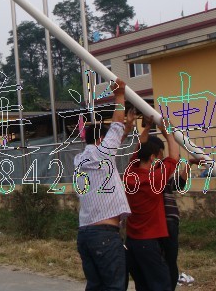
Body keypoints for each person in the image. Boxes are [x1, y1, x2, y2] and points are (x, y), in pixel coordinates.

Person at [75, 78, 132, 291]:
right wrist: (120, 95)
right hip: (104, 236)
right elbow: (116, 126)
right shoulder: (102, 153)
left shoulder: (79, 159)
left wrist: (126, 130)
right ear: (101, 139)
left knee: (96, 286)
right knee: (114, 287)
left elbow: (117, 134)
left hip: (86, 235)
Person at [123, 114, 179, 291]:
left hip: (132, 241)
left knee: (143, 285)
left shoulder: (129, 174)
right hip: (148, 243)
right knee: (161, 284)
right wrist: (167, 131)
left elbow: (138, 151)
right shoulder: (154, 179)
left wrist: (146, 128)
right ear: (155, 157)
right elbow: (175, 158)